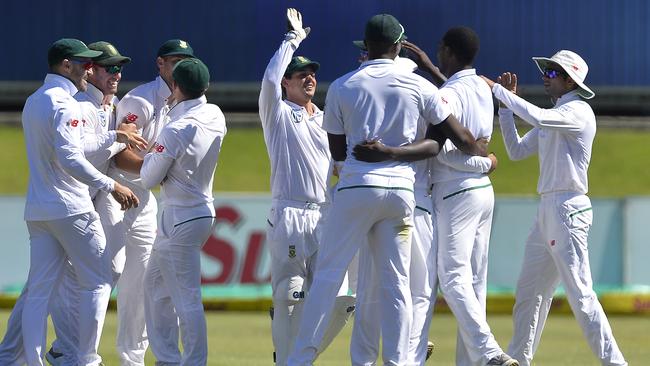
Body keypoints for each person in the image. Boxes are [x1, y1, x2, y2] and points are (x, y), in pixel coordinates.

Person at [288, 14, 485, 365]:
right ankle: (398, 361)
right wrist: (484, 154)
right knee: (396, 285)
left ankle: (298, 360)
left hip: (356, 186)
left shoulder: (343, 86)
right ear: (398, 46)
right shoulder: (419, 85)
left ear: (367, 46)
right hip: (401, 194)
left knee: (329, 276)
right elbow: (460, 139)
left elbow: (338, 153)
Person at [481, 50, 628, 366]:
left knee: (580, 294)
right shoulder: (557, 113)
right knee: (529, 292)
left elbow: (539, 117)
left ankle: (616, 363)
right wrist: (505, 110)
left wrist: (498, 91)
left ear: (569, 79)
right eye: (546, 72)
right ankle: (519, 358)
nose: (545, 78)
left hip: (568, 208)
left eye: (551, 73)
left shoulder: (578, 111)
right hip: (547, 210)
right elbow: (517, 151)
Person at [0, 38, 138, 366]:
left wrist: (115, 137)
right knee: (99, 279)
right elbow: (71, 157)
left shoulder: (35, 100)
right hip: (71, 207)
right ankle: (85, 358)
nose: (88, 69)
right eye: (83, 63)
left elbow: (78, 144)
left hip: (38, 209)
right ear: (66, 65)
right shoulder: (67, 103)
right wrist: (111, 184)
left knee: (39, 290)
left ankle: (27, 361)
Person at [90, 38, 195, 366]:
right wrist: (160, 171)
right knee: (110, 271)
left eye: (185, 62)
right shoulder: (141, 99)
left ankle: (132, 359)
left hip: (145, 199)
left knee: (142, 283)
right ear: (160, 64)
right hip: (115, 194)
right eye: (174, 61)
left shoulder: (180, 103)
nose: (180, 68)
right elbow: (121, 154)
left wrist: (161, 172)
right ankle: (80, 353)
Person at [259, 8, 354, 365]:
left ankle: (298, 358)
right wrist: (291, 40)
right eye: (300, 74)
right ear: (287, 81)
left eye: (312, 73)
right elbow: (268, 82)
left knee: (339, 300)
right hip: (290, 212)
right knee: (290, 296)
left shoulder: (327, 119)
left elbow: (338, 167)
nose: (309, 78)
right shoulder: (278, 113)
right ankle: (288, 358)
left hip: (324, 215)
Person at [413, 28, 512, 366]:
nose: (438, 53)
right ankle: (472, 361)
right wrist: (486, 163)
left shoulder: (450, 93)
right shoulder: (483, 86)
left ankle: (489, 353)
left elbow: (440, 153)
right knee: (474, 281)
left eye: (440, 50)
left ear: (450, 52)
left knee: (453, 278)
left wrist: (484, 162)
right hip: (483, 194)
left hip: (456, 190)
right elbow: (455, 89)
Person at [46, 41, 148, 366]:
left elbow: (113, 146)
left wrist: (126, 137)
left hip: (94, 197)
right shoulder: (79, 105)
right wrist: (118, 137)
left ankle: (71, 349)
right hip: (67, 201)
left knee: (108, 270)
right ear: (90, 70)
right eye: (110, 68)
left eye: (120, 68)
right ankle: (70, 349)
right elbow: (82, 154)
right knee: (65, 277)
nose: (117, 74)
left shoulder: (112, 103)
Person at [140, 57, 226, 366]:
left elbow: (149, 178)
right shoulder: (215, 114)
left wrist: (152, 152)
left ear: (175, 86)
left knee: (186, 298)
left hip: (180, 216)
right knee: (154, 285)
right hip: (198, 211)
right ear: (205, 86)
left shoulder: (176, 128)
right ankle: (167, 360)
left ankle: (192, 362)